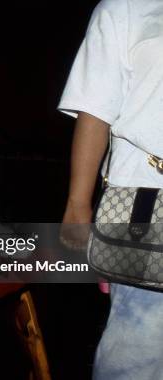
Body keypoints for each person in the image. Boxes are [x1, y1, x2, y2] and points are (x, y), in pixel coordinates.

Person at [58, 0, 163, 379]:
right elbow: (94, 109)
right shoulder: (126, 8)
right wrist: (77, 203)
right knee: (136, 351)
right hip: (142, 196)